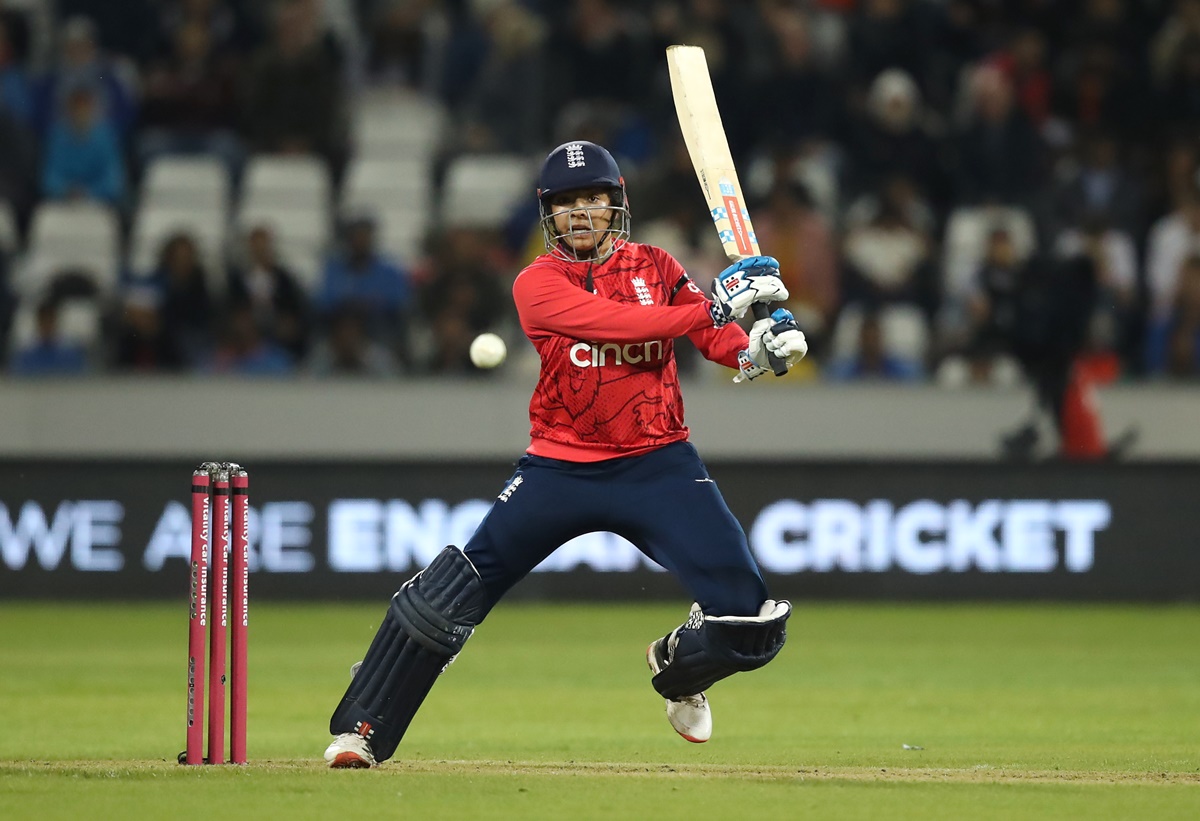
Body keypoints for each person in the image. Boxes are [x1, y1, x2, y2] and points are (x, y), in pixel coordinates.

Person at [321, 141, 809, 768]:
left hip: (658, 463)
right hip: (559, 466)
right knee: (448, 594)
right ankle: (361, 729)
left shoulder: (657, 265)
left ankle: (679, 669)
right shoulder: (537, 283)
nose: (581, 212)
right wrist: (711, 305)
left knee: (752, 618)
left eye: (594, 199)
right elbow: (613, 323)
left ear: (616, 205)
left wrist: (757, 350)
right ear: (549, 215)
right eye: (566, 203)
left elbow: (707, 333)